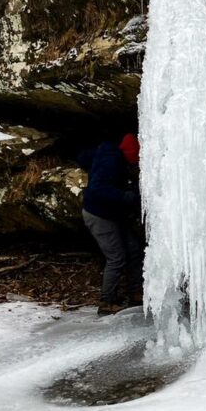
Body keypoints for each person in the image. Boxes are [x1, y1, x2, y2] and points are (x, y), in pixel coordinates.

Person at [79, 134, 144, 315]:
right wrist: (124, 196)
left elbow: (84, 158)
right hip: (98, 215)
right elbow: (97, 188)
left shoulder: (113, 157)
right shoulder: (111, 160)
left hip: (113, 215)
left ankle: (135, 292)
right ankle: (107, 302)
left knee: (134, 250)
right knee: (116, 257)